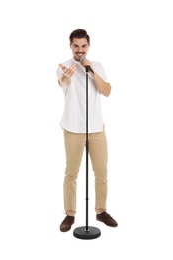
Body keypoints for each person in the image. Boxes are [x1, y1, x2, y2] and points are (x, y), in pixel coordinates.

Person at [56, 29, 118, 232]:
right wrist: (66, 77)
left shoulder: (97, 66)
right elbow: (63, 82)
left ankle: (101, 211)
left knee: (101, 171)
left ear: (88, 46)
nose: (80, 50)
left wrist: (92, 71)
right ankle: (70, 214)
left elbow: (107, 91)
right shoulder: (65, 67)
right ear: (70, 46)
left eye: (83, 46)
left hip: (96, 128)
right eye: (76, 46)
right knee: (71, 172)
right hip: (73, 128)